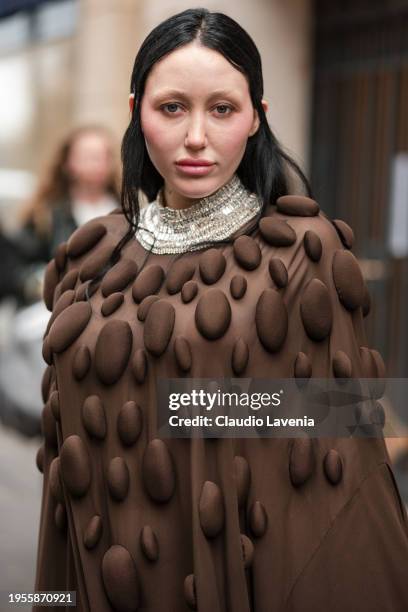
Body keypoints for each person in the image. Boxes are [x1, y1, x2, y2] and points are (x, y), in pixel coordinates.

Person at [33, 8, 408, 612]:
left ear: (258, 119)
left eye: (224, 109)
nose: (196, 137)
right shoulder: (90, 256)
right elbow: (60, 469)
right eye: (172, 107)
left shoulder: (301, 254)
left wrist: (188, 404)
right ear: (137, 113)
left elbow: (336, 447)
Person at [1, 125, 120, 307]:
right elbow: (14, 266)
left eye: (104, 156)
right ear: (68, 163)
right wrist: (38, 284)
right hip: (55, 311)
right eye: (88, 156)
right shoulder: (45, 215)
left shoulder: (128, 212)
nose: (98, 163)